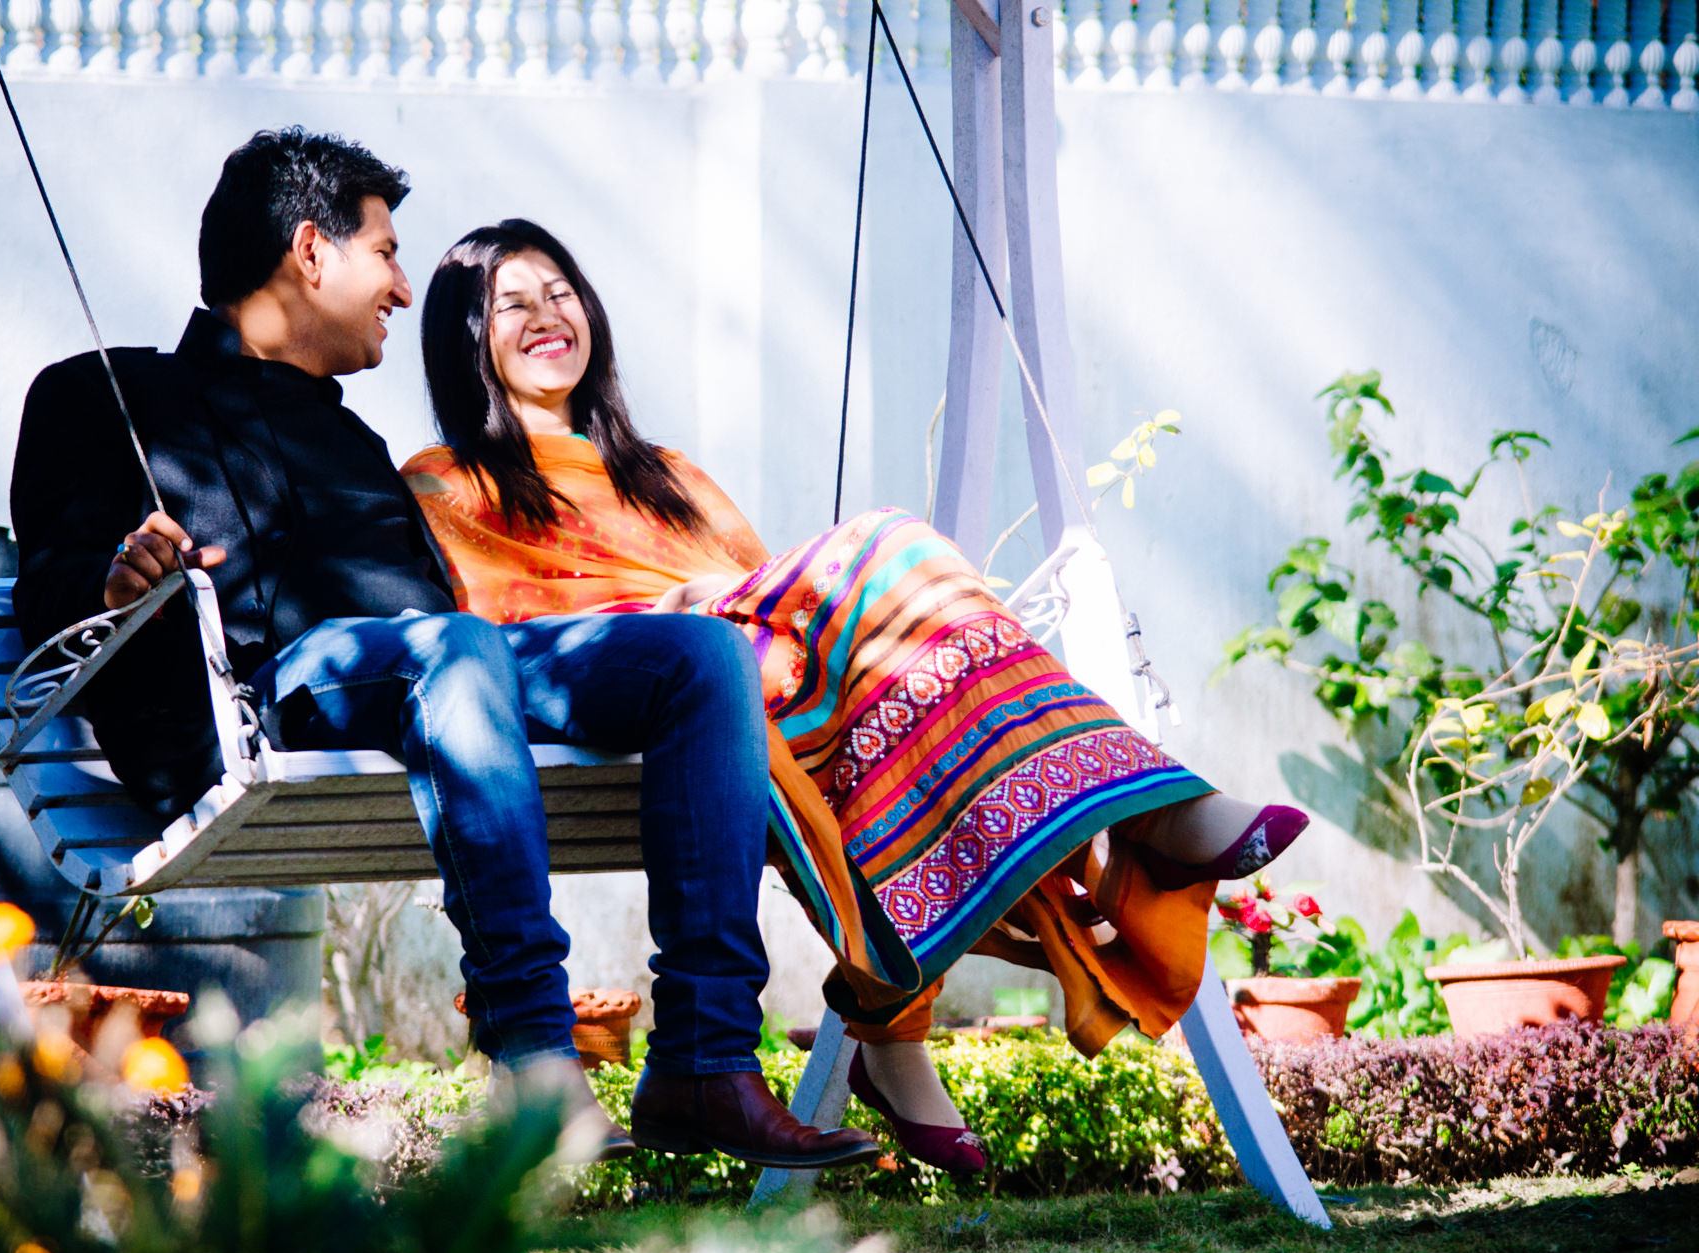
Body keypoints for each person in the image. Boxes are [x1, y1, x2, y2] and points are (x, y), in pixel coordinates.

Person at [9, 132, 877, 1172]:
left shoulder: (351, 440)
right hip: (257, 705)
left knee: (697, 656)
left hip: (442, 680)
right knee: (448, 649)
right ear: (308, 251)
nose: (402, 286)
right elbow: (46, 584)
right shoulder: (105, 393)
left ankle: (705, 1055)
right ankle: (533, 1058)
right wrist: (114, 574)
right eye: (383, 252)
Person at [402, 219, 1310, 1174]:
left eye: (563, 292)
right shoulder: (452, 482)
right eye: (514, 305)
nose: (550, 316)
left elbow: (768, 591)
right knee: (893, 545)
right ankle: (1144, 821)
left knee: (919, 677)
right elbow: (507, 629)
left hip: (771, 689)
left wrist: (727, 615)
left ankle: (907, 1019)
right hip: (642, 703)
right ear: (469, 338)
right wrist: (675, 613)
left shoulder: (668, 478)